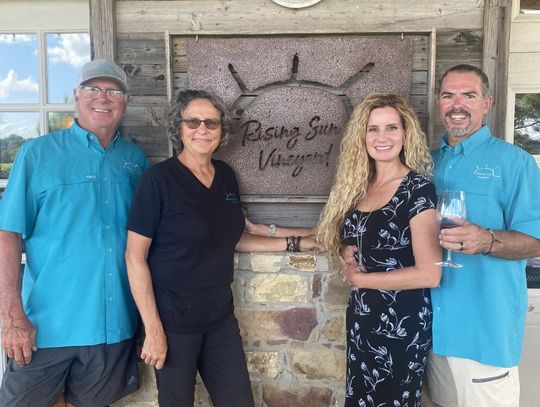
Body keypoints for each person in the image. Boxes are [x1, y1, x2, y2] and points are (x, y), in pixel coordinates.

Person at [125, 89, 319, 407]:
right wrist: (153, 328)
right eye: (193, 122)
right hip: (173, 324)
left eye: (211, 123)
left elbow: (231, 238)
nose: (202, 129)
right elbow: (135, 257)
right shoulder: (157, 181)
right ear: (178, 128)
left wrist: (298, 242)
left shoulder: (226, 176)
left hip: (219, 320)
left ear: (221, 131)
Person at [0, 59, 149, 407]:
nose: (104, 97)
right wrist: (10, 314)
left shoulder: (136, 161)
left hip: (113, 327)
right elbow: (7, 234)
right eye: (93, 89)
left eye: (113, 90)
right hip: (46, 326)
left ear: (124, 101)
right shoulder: (37, 154)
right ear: (76, 96)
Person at [425, 64, 540, 407]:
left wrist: (487, 240)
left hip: (483, 334)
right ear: (439, 103)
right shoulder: (426, 163)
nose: (457, 104)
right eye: (448, 95)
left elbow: (536, 241)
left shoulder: (514, 163)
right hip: (433, 332)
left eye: (468, 95)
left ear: (486, 103)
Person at [317, 93, 441, 407]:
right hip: (363, 318)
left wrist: (362, 280)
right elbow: (353, 237)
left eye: (391, 128)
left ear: (405, 133)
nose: (382, 137)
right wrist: (347, 249)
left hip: (401, 324)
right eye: (373, 129)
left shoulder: (417, 188)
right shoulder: (359, 185)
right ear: (363, 136)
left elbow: (430, 273)